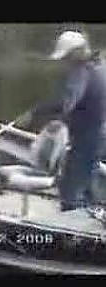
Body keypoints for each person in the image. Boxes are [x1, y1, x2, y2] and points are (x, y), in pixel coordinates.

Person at [18, 31, 106, 212]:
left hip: (88, 137)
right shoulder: (98, 66)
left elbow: (67, 103)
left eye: (66, 56)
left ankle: (74, 232)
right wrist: (62, 120)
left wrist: (34, 113)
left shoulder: (81, 73)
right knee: (87, 178)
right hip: (98, 134)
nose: (65, 61)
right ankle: (89, 209)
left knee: (69, 191)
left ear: (76, 53)